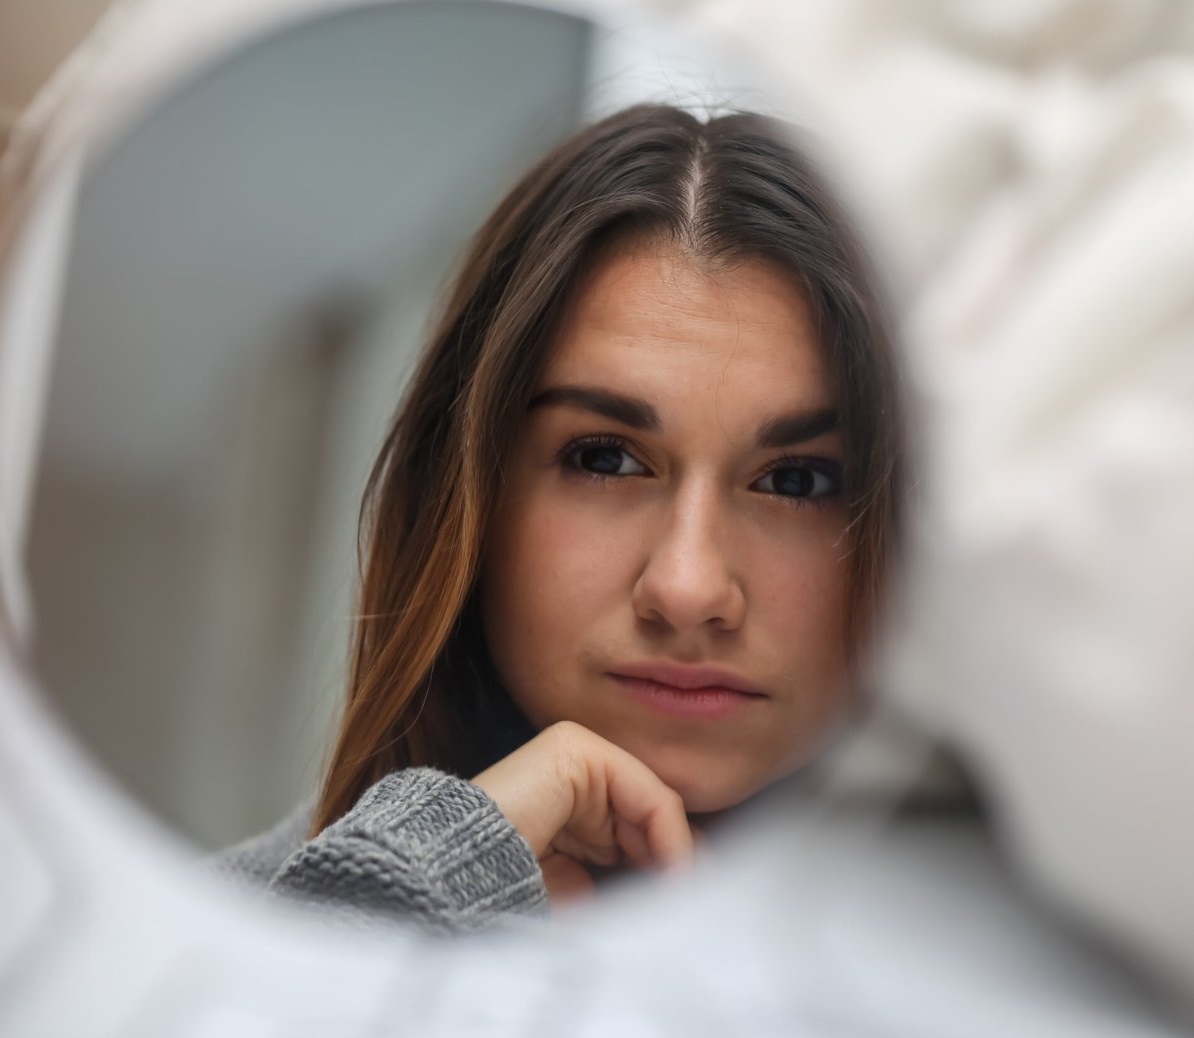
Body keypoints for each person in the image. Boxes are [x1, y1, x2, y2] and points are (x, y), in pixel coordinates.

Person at [212, 103, 905, 930]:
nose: (687, 588)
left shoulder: (1014, 964)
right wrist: (419, 884)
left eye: (796, 479)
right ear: (470, 499)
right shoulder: (189, 937)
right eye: (605, 459)